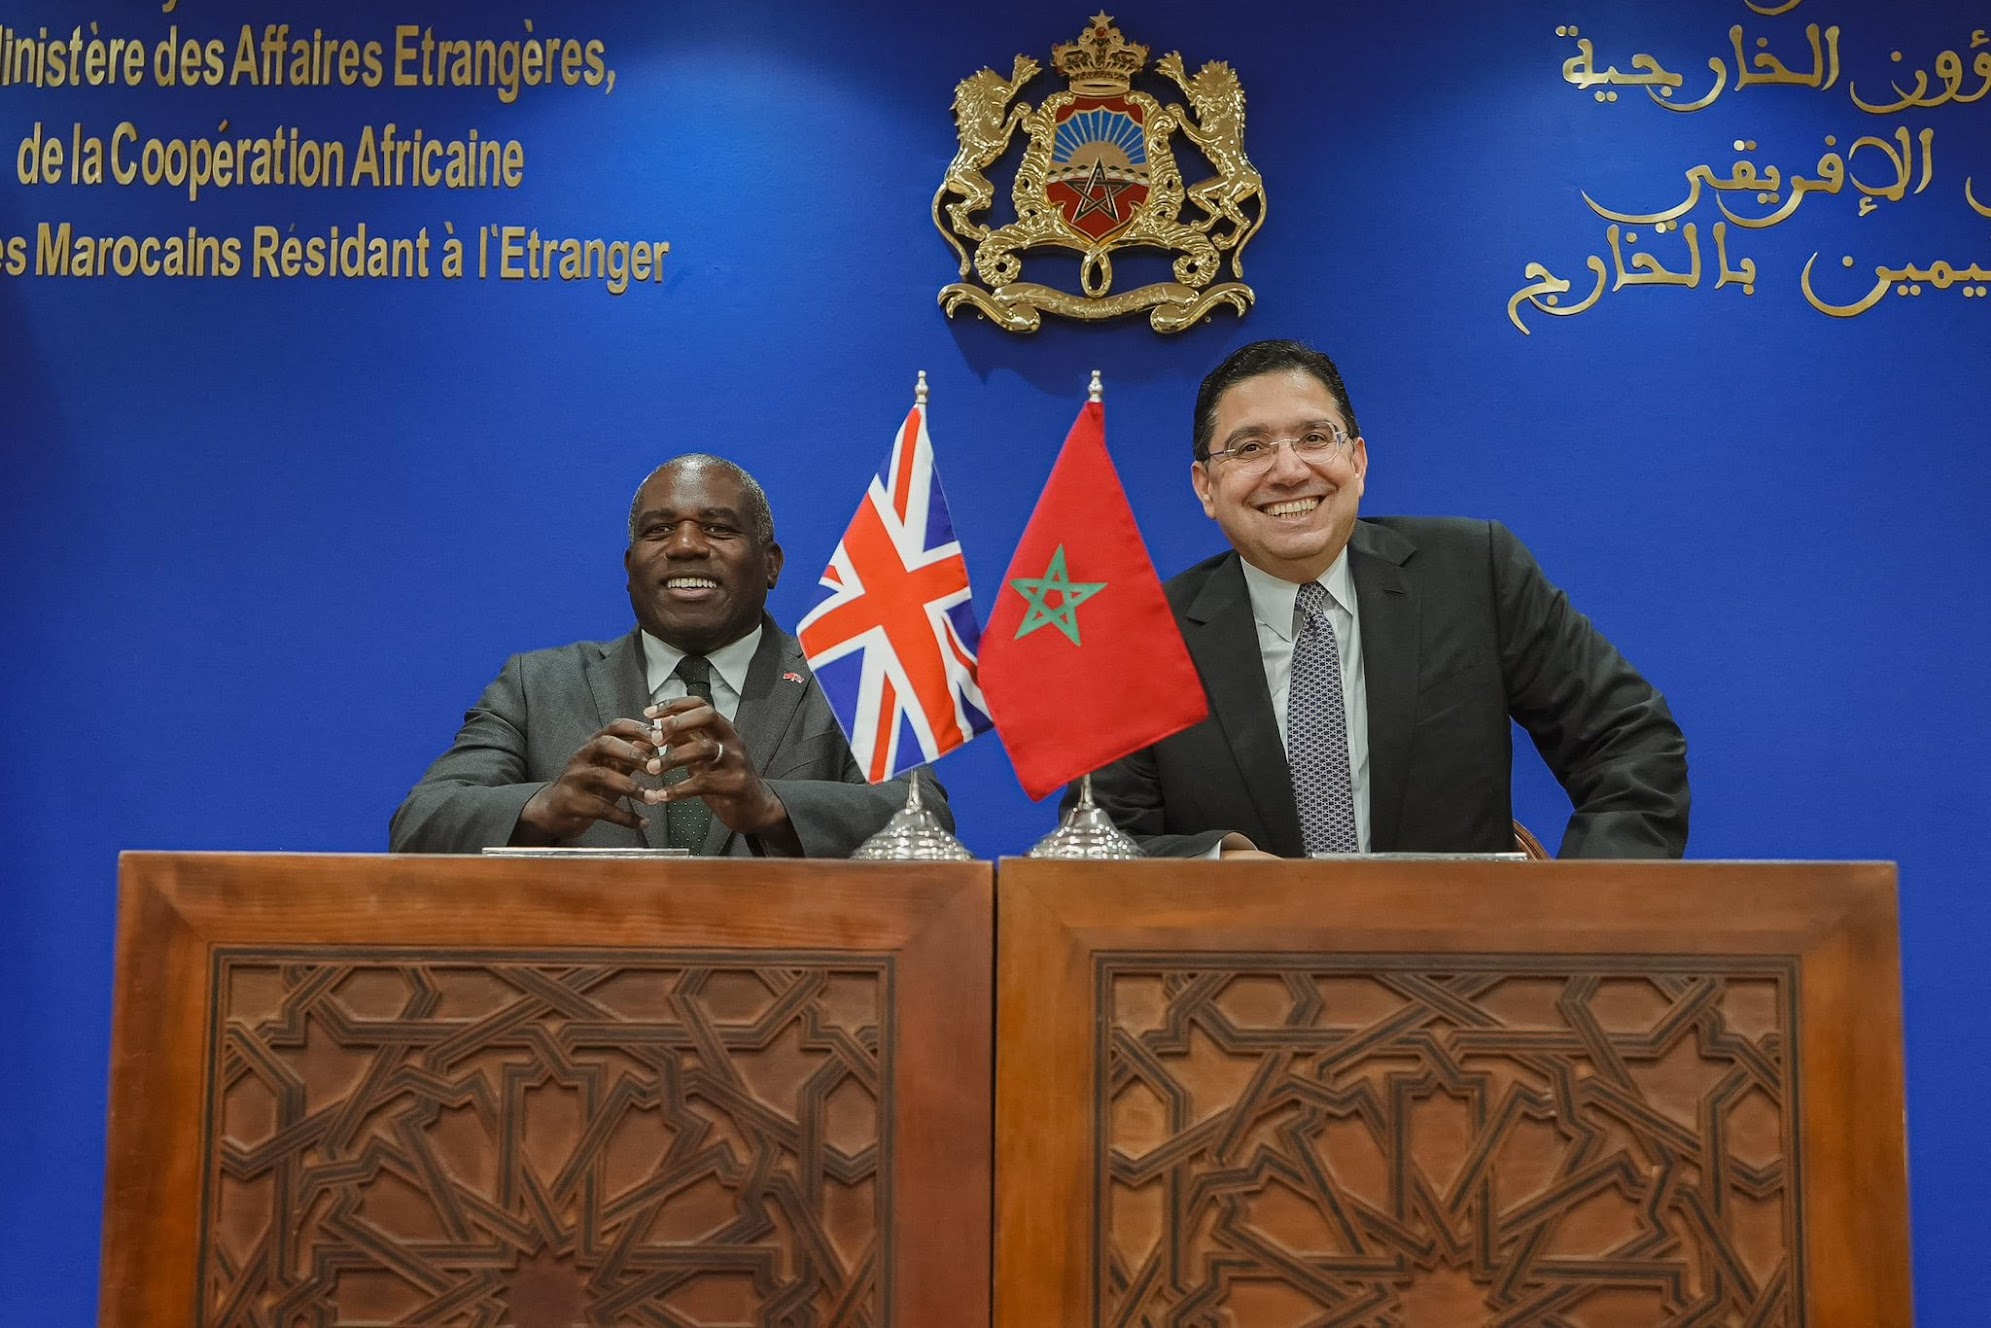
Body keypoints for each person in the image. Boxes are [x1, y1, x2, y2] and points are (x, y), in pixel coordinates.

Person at [1084, 339, 1688, 859]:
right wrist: (1213, 864)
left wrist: (1584, 920)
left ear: (1358, 461)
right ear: (1206, 487)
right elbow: (1096, 838)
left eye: (1314, 437)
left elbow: (1632, 744)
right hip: (1238, 980)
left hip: (1462, 975)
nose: (1289, 470)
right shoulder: (1150, 631)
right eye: (1250, 448)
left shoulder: (1475, 571)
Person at [391, 454, 937, 855]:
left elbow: (928, 818)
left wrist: (771, 807)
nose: (685, 546)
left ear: (771, 564)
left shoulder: (842, 675)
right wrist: (542, 808)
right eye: (659, 531)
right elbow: (421, 822)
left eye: (718, 528)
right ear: (631, 567)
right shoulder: (536, 686)